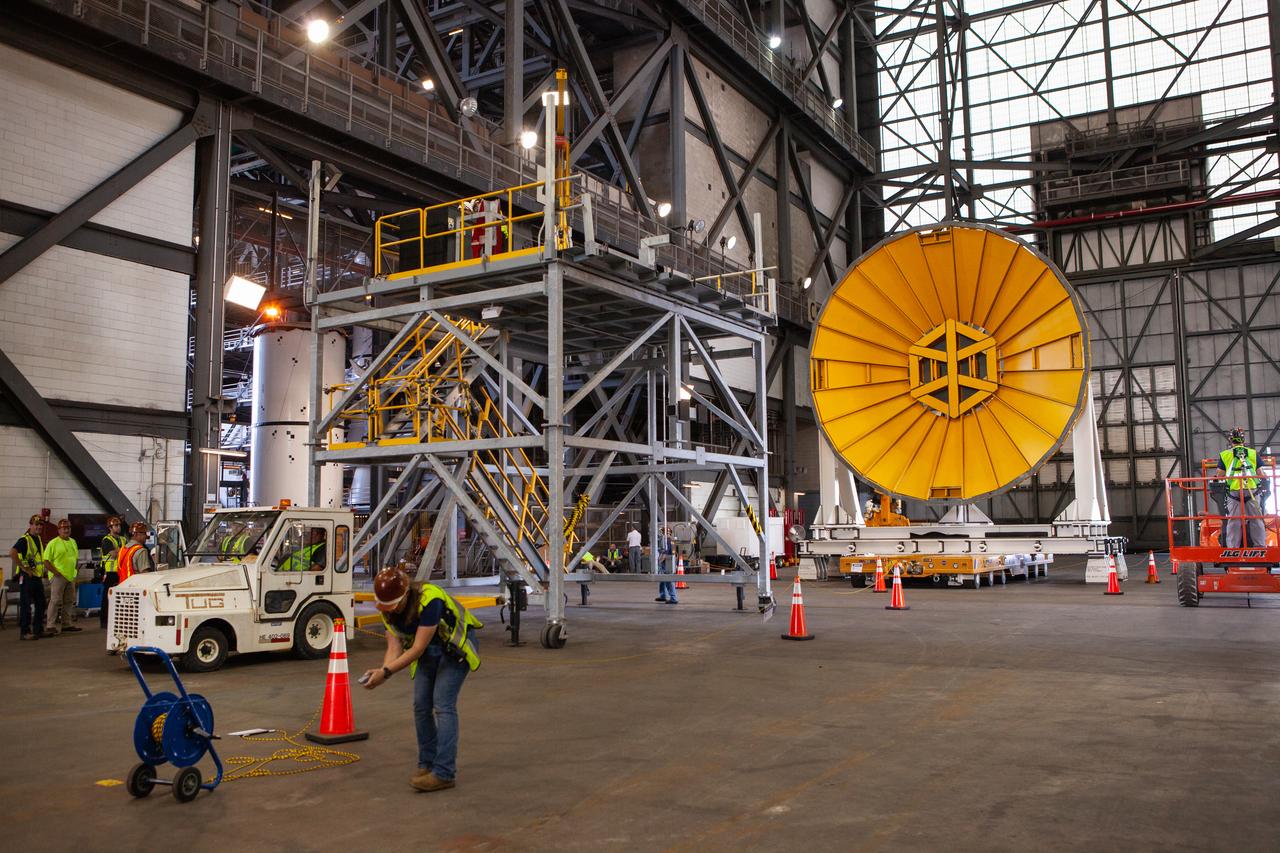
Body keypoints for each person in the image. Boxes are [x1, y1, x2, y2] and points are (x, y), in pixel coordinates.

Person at [361, 565, 482, 793]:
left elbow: (416, 649)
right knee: (420, 705)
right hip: (430, 650)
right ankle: (426, 764)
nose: (390, 610)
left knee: (443, 704)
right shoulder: (387, 608)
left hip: (455, 650)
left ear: (406, 595)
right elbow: (394, 645)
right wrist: (383, 670)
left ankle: (444, 773)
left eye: (393, 605)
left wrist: (386, 673)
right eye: (385, 606)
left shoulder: (430, 600)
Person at [1218, 427, 1265, 549]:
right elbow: (1261, 474)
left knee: (1234, 521)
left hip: (1234, 492)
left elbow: (1220, 475)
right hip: (1252, 491)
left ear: (1230, 440)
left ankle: (1233, 549)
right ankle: (1260, 547)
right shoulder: (1253, 453)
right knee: (1256, 519)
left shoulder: (1225, 455)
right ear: (1243, 439)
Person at [10, 515, 47, 640]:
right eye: (36, 524)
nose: (39, 527)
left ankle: (38, 630)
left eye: (40, 525)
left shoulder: (38, 539)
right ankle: (25, 632)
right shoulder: (25, 540)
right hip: (27, 578)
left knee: (41, 604)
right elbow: (12, 553)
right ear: (30, 525)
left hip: (37, 577)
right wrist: (24, 568)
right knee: (26, 605)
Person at [42, 519, 81, 635]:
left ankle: (66, 624)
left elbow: (76, 558)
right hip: (58, 576)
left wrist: (75, 571)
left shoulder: (73, 541)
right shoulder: (53, 543)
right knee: (55, 600)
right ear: (58, 530)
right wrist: (55, 572)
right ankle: (50, 626)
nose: (66, 530)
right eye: (64, 528)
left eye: (68, 528)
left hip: (70, 576)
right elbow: (46, 561)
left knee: (69, 601)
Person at [99, 516, 127, 630]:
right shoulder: (107, 540)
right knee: (107, 598)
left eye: (119, 525)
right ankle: (104, 621)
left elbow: (120, 552)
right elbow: (114, 554)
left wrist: (119, 550)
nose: (118, 527)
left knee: (120, 598)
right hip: (110, 572)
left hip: (120, 572)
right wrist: (123, 550)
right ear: (110, 527)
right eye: (116, 525)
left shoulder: (123, 539)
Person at [655, 526, 678, 604]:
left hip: (667, 562)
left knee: (668, 580)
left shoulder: (666, 541)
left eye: (661, 532)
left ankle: (673, 598)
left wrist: (659, 562)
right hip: (670, 561)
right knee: (662, 580)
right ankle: (663, 595)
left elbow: (665, 553)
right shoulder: (671, 540)